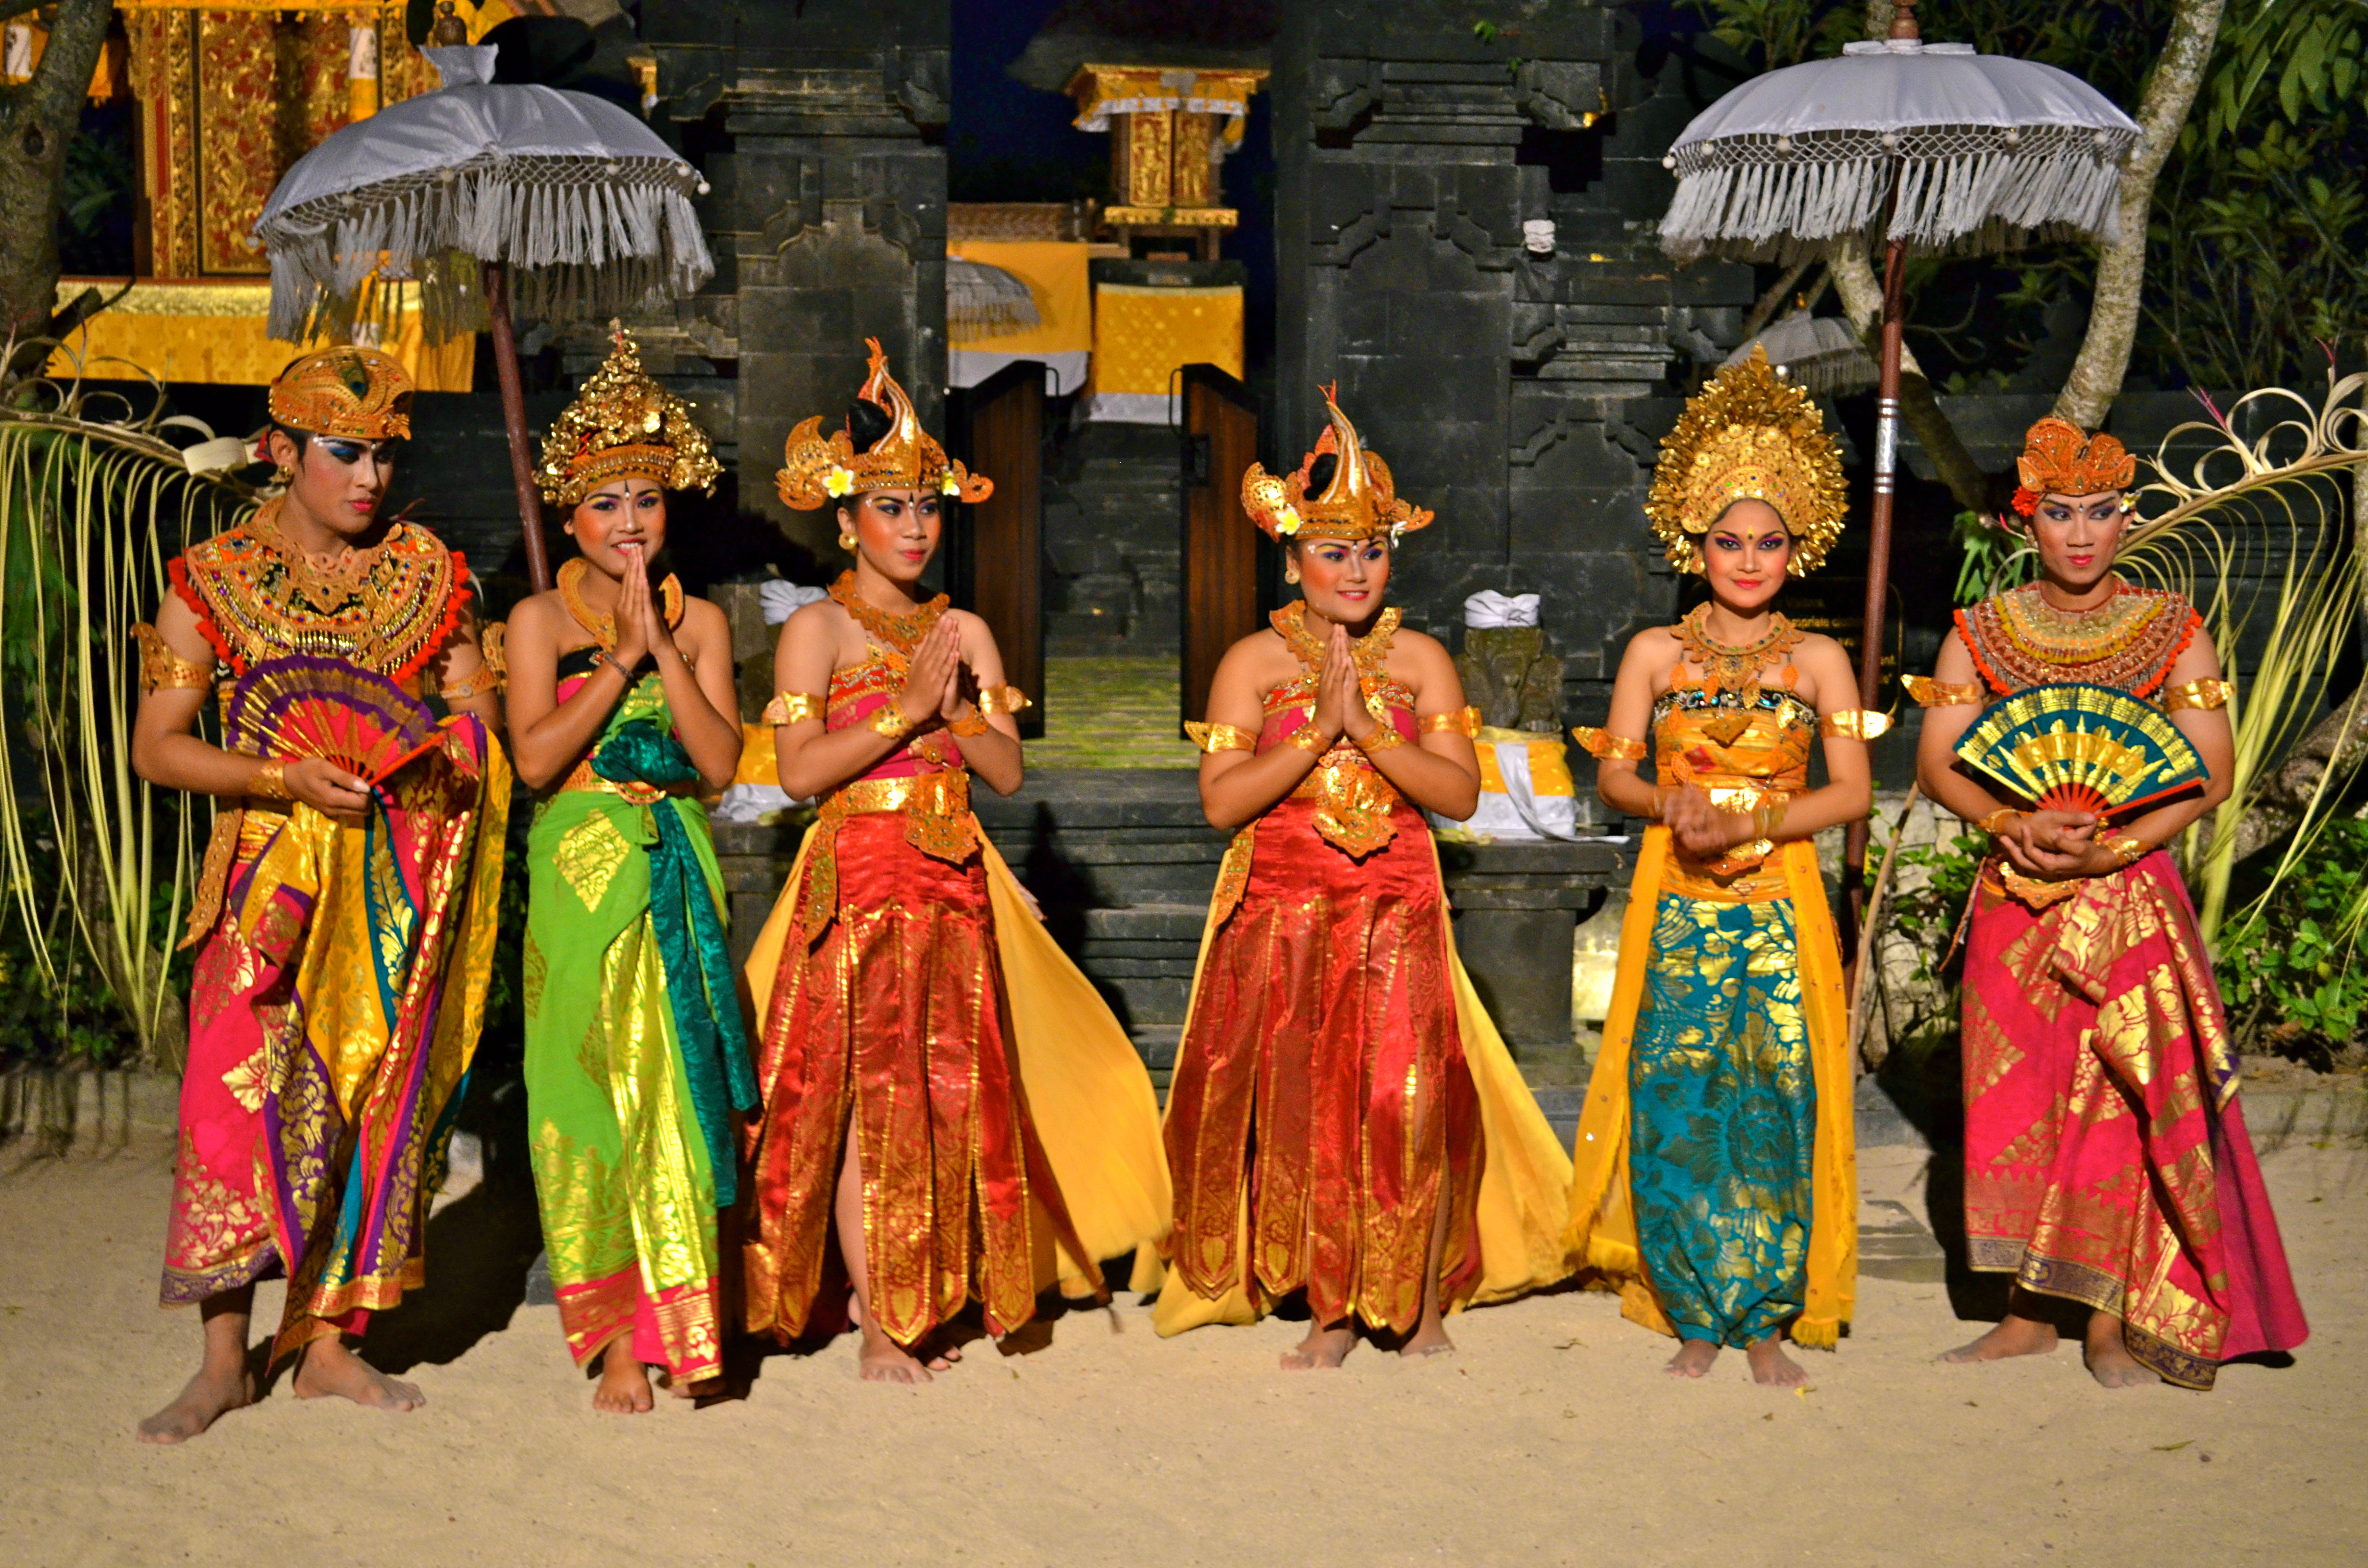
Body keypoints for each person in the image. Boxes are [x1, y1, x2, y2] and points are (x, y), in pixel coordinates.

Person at [740, 340, 1168, 1383]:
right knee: (858, 1104)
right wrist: (899, 711)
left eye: (928, 507)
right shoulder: (817, 630)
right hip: (858, 887)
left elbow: (1007, 774)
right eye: (891, 507)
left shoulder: (966, 627)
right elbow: (800, 776)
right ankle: (883, 1324)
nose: (915, 526)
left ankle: (934, 1292)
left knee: (947, 1098)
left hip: (951, 885)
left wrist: (955, 708)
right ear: (844, 521)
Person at [1148, 387, 1574, 1369]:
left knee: (1406, 1102)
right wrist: (1316, 739)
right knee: (1306, 1108)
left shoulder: (1422, 659)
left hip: (1397, 911)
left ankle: (1414, 1299)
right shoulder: (1250, 663)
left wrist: (1369, 730)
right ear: (1291, 556)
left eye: (1373, 549)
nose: (1355, 568)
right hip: (1284, 920)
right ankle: (1331, 1309)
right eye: (1333, 550)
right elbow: (1223, 804)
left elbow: (1459, 796)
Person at [131, 346, 509, 1443]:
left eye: (388, 454)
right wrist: (277, 777)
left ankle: (329, 1347)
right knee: (228, 1102)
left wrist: (453, 743)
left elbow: (471, 723)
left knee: (364, 1097)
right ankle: (220, 1361)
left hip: (392, 874)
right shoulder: (208, 581)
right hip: (266, 874)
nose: (371, 477)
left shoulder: (432, 576)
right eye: (346, 452)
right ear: (280, 451)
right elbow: (158, 748)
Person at [1916, 416, 2308, 1389]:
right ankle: (2024, 1314)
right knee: (2011, 1099)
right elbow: (1934, 764)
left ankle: (2105, 1314)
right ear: (2028, 524)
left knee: (2117, 1094)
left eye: (2098, 514)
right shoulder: (1980, 631)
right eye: (2059, 515)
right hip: (2017, 897)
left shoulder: (2174, 629)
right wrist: (2011, 822)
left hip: (2129, 895)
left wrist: (2116, 843)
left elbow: (2208, 775)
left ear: (2126, 521)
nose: (2080, 535)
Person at [1565, 347, 1871, 1386]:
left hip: (1779, 899)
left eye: (1769, 543)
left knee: (1777, 1094)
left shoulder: (1818, 660)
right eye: (1728, 541)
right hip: (1677, 894)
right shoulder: (1655, 652)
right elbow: (1612, 779)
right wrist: (1672, 805)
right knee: (1679, 1093)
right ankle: (1691, 1305)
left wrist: (1755, 820)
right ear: (1695, 543)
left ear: (1799, 548)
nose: (1748, 560)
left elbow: (1854, 793)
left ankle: (1770, 1316)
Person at [504, 327, 752, 1413]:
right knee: (584, 1102)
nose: (629, 524)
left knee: (679, 1106)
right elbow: (535, 759)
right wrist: (615, 658)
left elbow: (719, 763)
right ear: (570, 518)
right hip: (577, 874)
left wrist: (663, 650)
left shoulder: (701, 621)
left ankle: (682, 1329)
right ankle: (612, 1343)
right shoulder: (534, 621)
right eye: (606, 505)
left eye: (646, 502)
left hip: (675, 875)